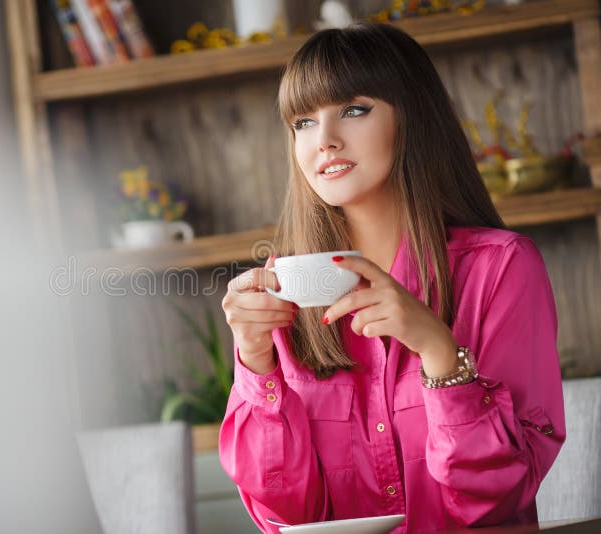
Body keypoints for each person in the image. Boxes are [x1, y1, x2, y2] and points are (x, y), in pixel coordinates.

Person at [219, 23, 565, 533]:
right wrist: (256, 365)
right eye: (303, 122)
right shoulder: (284, 291)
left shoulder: (501, 268)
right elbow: (283, 514)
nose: (325, 141)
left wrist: (440, 354)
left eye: (354, 110)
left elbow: (498, 501)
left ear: (413, 118)